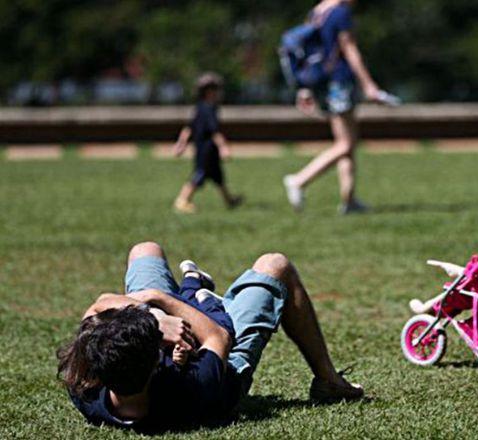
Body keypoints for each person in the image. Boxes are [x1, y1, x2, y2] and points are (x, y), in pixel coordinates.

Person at [57, 241, 363, 433]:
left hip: (162, 336)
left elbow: (99, 305)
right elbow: (217, 336)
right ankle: (329, 381)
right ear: (155, 364)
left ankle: (191, 288)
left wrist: (153, 318)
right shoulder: (193, 388)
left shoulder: (85, 385)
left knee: (145, 250)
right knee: (275, 265)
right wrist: (159, 301)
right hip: (222, 355)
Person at [283, 0, 385, 214]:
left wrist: (304, 89)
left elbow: (307, 53)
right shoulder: (340, 12)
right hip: (340, 81)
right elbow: (349, 49)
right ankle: (299, 180)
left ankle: (349, 200)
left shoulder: (317, 11)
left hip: (323, 83)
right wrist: (369, 85)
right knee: (345, 144)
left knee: (346, 142)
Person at [173, 72, 242, 214]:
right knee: (199, 174)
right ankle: (182, 200)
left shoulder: (200, 107)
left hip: (205, 148)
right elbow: (214, 131)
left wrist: (181, 144)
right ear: (209, 91)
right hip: (206, 149)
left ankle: (229, 200)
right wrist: (224, 147)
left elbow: (188, 128)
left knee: (218, 176)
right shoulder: (209, 109)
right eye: (216, 90)